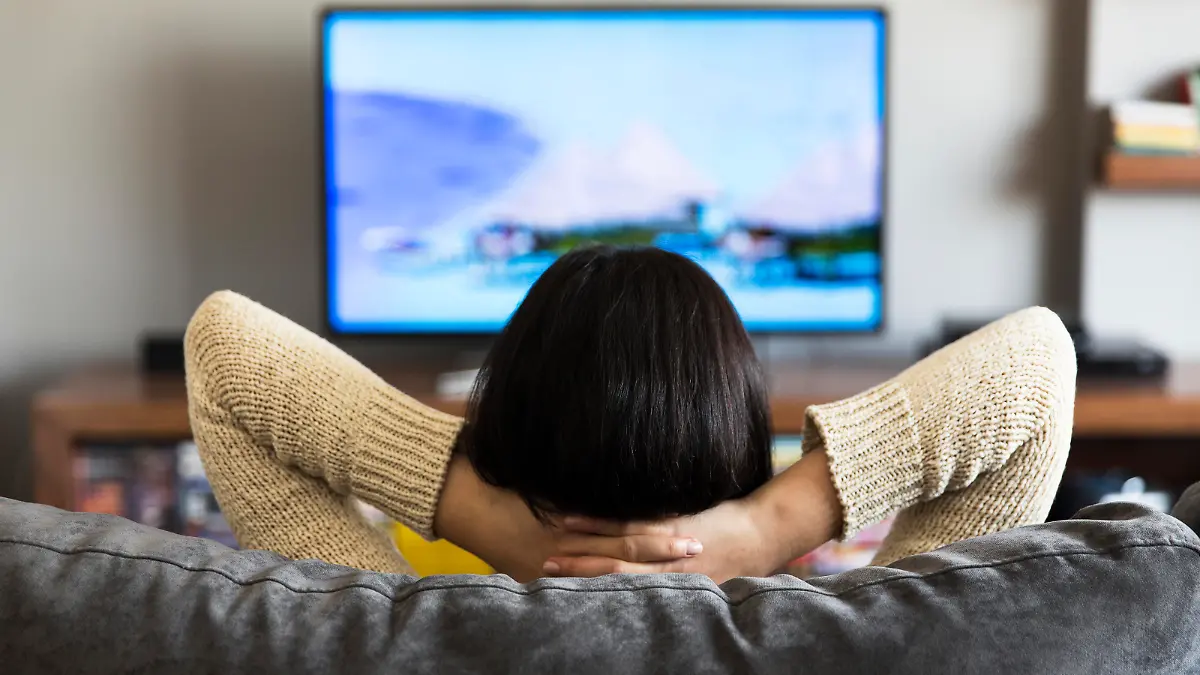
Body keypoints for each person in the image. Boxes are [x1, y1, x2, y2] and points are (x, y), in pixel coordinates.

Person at [185, 247, 1076, 582]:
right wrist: (767, 528)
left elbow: (224, 348)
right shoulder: (871, 646)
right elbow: (1037, 360)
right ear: (737, 447)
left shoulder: (389, 640)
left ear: (506, 430)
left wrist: (492, 523)